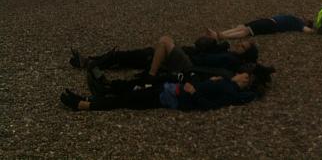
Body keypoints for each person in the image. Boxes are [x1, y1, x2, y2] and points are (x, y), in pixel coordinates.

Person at [60, 63, 275, 111]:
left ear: (245, 80)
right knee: (130, 92)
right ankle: (87, 99)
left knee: (127, 101)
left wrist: (194, 92)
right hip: (172, 89)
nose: (238, 74)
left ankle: (81, 105)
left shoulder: (231, 92)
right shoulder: (226, 83)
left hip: (172, 98)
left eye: (243, 75)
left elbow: (208, 105)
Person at [69, 32, 259, 77]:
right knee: (139, 55)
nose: (240, 43)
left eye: (244, 46)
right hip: (187, 57)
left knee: (164, 41)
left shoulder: (232, 61)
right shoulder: (227, 53)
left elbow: (242, 72)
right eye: (242, 42)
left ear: (245, 55)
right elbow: (201, 45)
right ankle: (93, 60)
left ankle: (151, 76)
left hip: (188, 64)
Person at [218, 15, 314, 39]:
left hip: (271, 25)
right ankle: (220, 34)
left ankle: (223, 36)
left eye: (306, 19)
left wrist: (319, 30)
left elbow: (308, 31)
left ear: (306, 22)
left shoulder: (299, 24)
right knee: (243, 26)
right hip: (268, 20)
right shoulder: (297, 20)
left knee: (247, 31)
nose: (303, 17)